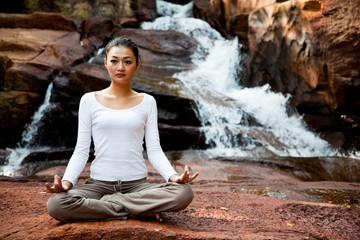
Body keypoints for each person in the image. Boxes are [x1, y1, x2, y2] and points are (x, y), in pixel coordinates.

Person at [45, 37, 199, 223]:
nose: (120, 67)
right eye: (114, 61)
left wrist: (173, 177)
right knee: (56, 204)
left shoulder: (148, 101)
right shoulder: (89, 100)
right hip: (98, 186)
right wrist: (67, 182)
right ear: (106, 63)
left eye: (127, 62)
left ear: (137, 64)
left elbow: (154, 149)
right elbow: (81, 150)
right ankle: (137, 209)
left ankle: (112, 204)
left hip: (138, 187)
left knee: (183, 193)